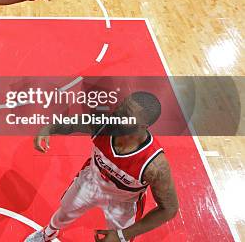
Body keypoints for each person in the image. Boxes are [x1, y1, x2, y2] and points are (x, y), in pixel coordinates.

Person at [25, 92, 179, 242]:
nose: (117, 114)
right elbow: (72, 123)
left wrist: (122, 235)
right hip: (91, 181)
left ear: (143, 126)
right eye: (121, 107)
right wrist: (49, 128)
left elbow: (169, 209)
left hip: (124, 202)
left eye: (127, 115)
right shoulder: (103, 123)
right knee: (64, 212)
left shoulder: (155, 165)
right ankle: (49, 233)